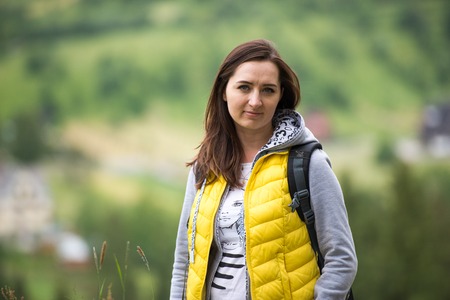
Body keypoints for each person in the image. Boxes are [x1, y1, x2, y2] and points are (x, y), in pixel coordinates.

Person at [170, 39, 357, 299]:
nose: (255, 101)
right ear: (224, 91)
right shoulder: (206, 166)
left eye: (268, 90)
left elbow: (342, 259)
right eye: (244, 87)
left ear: (281, 95)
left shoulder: (306, 163)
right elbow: (184, 261)